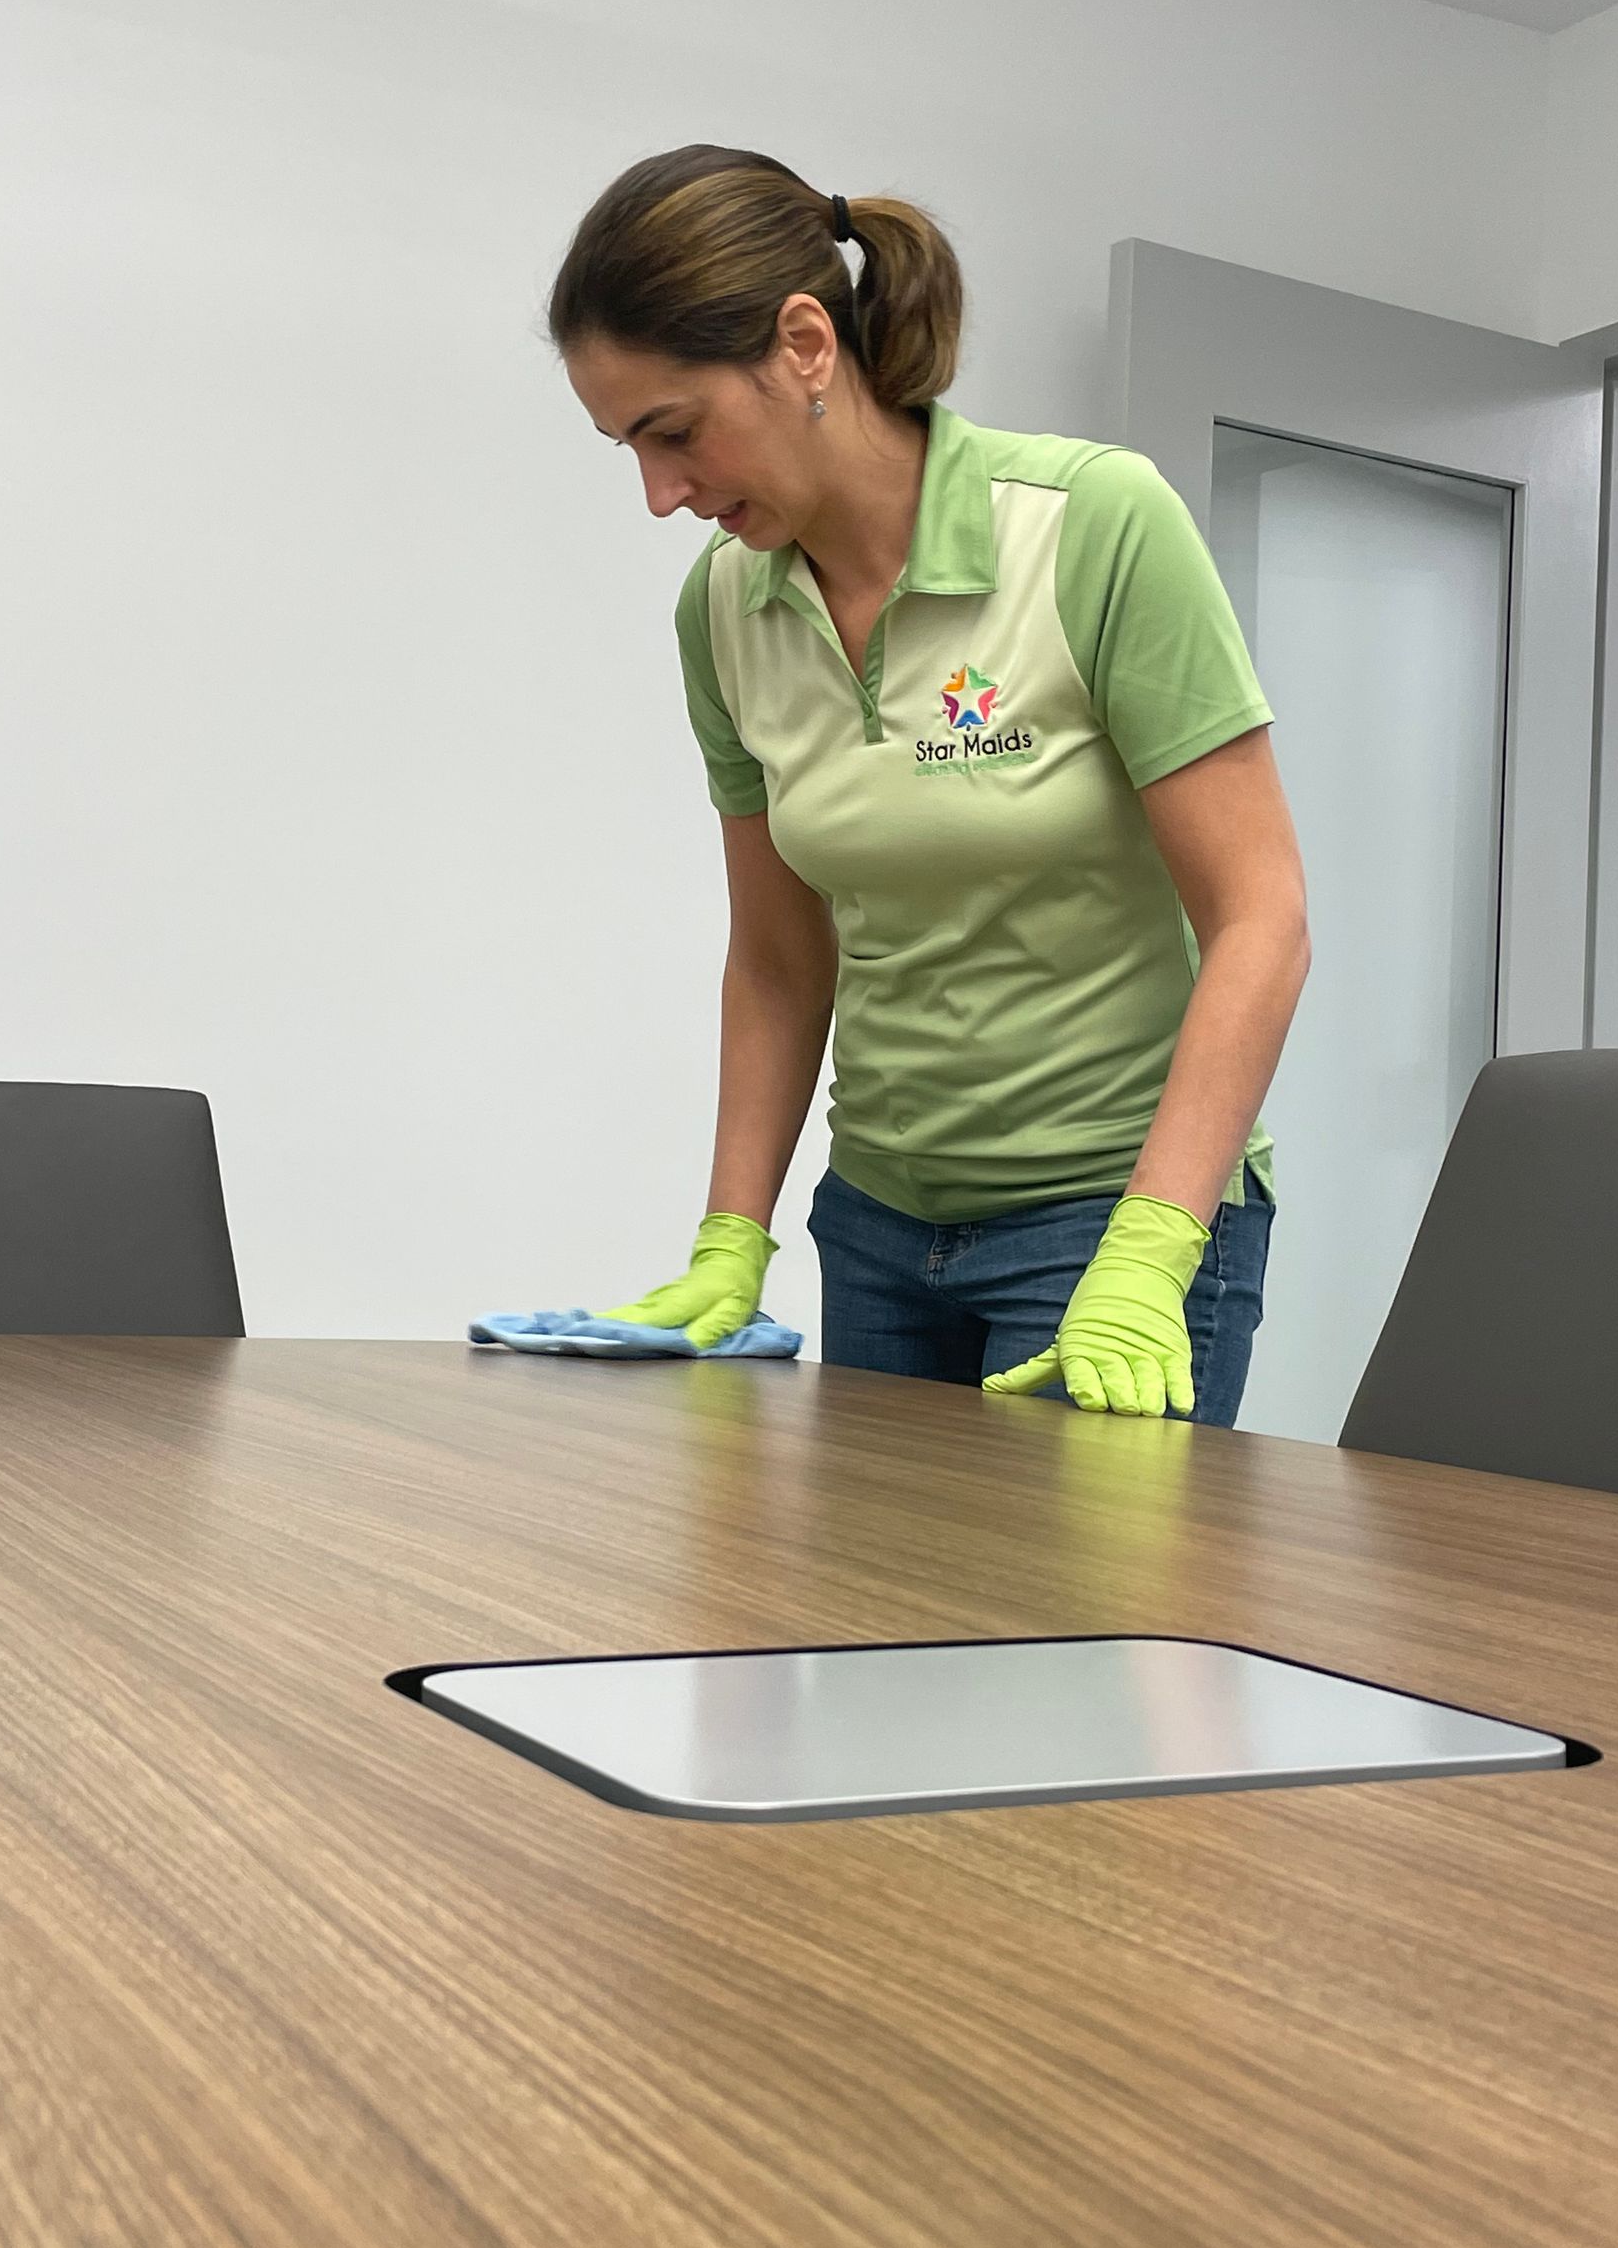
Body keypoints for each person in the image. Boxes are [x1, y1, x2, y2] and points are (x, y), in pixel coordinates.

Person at [547, 145, 1309, 1424]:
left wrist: (1155, 1243)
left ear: (804, 343)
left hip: (1108, 1221)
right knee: (880, 1624)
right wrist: (734, 1235)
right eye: (628, 446)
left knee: (1085, 1629)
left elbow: (1263, 916)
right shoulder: (725, 610)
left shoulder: (1092, 527)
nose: (660, 494)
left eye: (673, 433)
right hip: (882, 1229)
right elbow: (782, 961)